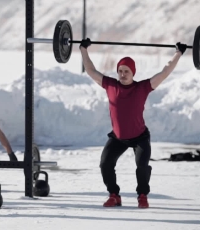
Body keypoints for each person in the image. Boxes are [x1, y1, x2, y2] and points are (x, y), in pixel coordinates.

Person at [79, 38, 187, 209]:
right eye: (120, 71)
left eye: (126, 71)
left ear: (133, 73)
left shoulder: (142, 88)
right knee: (105, 164)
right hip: (118, 137)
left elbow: (164, 73)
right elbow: (91, 70)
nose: (122, 74)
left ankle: (142, 195)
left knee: (142, 166)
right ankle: (114, 195)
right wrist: (83, 49)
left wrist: (178, 53)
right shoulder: (110, 85)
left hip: (140, 137)